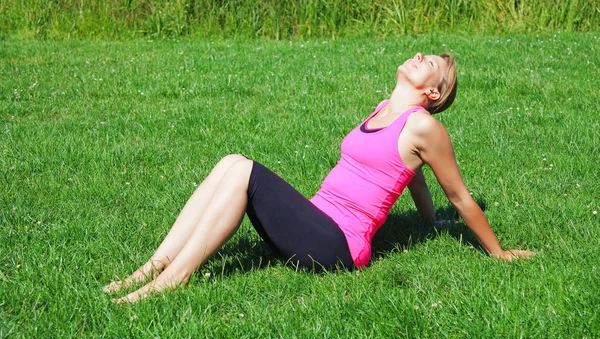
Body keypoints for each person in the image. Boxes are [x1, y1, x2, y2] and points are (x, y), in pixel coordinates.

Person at [104, 52, 535, 303]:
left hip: (337, 245)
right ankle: (151, 268)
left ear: (434, 92)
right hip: (317, 219)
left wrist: (497, 253)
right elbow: (414, 179)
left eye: (432, 63)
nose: (419, 55)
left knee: (243, 171)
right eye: (424, 52)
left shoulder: (424, 127)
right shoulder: (384, 109)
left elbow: (458, 196)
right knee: (229, 162)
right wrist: (430, 222)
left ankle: (169, 282)